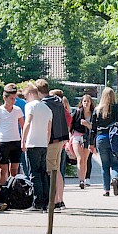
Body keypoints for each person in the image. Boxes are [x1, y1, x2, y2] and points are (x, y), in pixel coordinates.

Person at [88, 86, 118, 197]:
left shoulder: (97, 109)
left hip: (101, 138)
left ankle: (106, 190)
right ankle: (115, 179)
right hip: (116, 139)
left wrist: (90, 143)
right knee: (116, 163)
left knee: (105, 165)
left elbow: (93, 128)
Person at [20, 84, 53, 211]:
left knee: (34, 174)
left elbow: (27, 123)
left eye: (25, 96)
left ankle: (37, 203)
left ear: (30, 94)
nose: (25, 100)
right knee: (43, 173)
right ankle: (45, 202)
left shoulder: (30, 106)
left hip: (32, 143)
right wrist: (46, 141)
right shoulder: (47, 108)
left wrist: (23, 140)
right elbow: (49, 129)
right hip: (43, 144)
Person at [38, 80, 69, 211]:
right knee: (57, 170)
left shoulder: (44, 104)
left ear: (39, 92)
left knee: (51, 170)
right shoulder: (58, 101)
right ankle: (60, 199)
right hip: (61, 138)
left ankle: (55, 200)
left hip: (51, 140)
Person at [70, 93, 94, 189]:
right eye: (84, 101)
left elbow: (95, 128)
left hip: (87, 137)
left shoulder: (93, 114)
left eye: (88, 101)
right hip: (77, 136)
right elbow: (71, 125)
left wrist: (87, 124)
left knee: (85, 159)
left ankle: (83, 179)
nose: (86, 103)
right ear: (82, 102)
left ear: (91, 102)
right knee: (79, 158)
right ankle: (81, 180)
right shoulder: (78, 112)